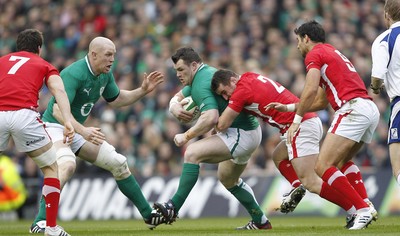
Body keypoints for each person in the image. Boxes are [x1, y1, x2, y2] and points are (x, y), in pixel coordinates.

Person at [29, 36, 165, 233]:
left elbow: (116, 99)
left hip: (75, 129)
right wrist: (83, 131)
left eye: (114, 55)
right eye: (108, 55)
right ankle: (40, 221)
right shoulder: (74, 74)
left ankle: (148, 215)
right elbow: (58, 110)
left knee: (118, 163)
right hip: (54, 126)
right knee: (66, 165)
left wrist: (142, 91)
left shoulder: (104, 74)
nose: (112, 59)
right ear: (93, 54)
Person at [211, 69, 375, 227]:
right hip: (306, 121)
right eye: (222, 96)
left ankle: (357, 209)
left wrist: (207, 118)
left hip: (298, 127)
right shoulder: (250, 76)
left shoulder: (241, 90)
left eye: (225, 92)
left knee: (312, 181)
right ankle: (298, 186)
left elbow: (223, 124)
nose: (226, 97)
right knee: (278, 156)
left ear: (233, 80)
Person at [275, 20, 379, 230]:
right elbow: (321, 101)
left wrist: (295, 121)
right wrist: (289, 108)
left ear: (306, 38)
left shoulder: (314, 54)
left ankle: (362, 209)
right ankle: (365, 202)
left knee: (322, 166)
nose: (297, 46)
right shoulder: (331, 52)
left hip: (352, 109)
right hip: (368, 109)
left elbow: (311, 89)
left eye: (298, 40)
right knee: (341, 162)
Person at [154, 47, 272, 230]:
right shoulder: (203, 74)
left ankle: (173, 207)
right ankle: (261, 221)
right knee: (228, 179)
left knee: (192, 153)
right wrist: (173, 106)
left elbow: (211, 118)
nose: (177, 74)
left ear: (193, 65)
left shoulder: (201, 82)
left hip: (241, 133)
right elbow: (178, 96)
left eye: (181, 70)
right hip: (248, 131)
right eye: (176, 70)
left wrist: (185, 136)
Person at [0, 29, 75, 236]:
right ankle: (50, 227)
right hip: (24, 115)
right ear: (39, 48)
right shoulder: (44, 65)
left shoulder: (2, 61)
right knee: (51, 168)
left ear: (18, 46)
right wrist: (68, 121)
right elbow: (59, 90)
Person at [370, 0, 400, 187]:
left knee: (398, 164)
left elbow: (377, 77)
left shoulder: (385, 39)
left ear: (387, 15)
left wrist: (375, 88)